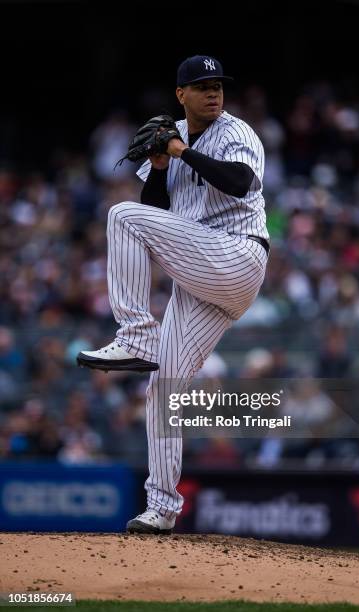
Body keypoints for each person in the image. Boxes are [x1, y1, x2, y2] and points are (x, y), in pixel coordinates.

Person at [77, 55, 270, 533]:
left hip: (238, 254)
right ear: (181, 94)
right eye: (202, 86)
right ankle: (162, 508)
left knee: (120, 217)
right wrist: (161, 164)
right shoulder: (172, 136)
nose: (213, 92)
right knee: (165, 386)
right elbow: (156, 209)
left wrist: (181, 152)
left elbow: (241, 183)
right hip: (203, 274)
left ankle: (137, 331)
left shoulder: (237, 133)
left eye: (218, 84)